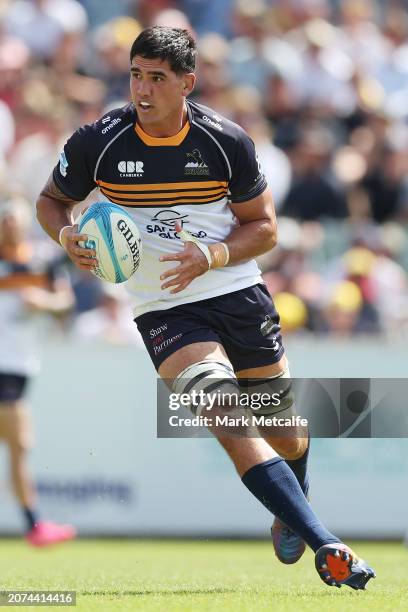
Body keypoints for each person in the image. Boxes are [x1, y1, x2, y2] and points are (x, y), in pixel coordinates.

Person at [36, 26, 375, 588]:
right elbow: (51, 201)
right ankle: (328, 543)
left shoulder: (226, 142)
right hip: (163, 309)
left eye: (158, 79)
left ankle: (295, 494)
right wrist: (66, 234)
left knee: (283, 431)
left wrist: (212, 253)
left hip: (236, 291)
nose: (143, 90)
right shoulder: (99, 140)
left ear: (187, 83)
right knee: (227, 419)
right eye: (136, 75)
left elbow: (264, 228)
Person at [0, 194, 76, 546]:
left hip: (19, 365)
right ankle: (34, 526)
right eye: (4, 222)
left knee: (18, 446)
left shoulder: (41, 263)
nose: (9, 227)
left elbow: (65, 304)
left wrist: (41, 303)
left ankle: (34, 525)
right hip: (5, 367)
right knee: (21, 444)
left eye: (13, 220)